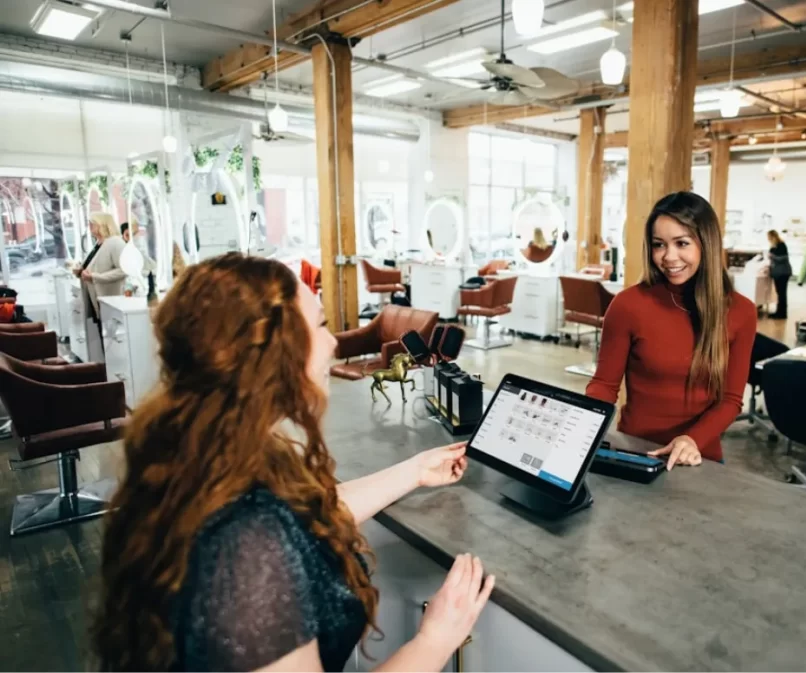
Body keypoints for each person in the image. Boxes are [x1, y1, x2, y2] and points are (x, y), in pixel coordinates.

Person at [93, 254, 495, 671]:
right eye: (320, 325)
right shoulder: (245, 548)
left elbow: (305, 515)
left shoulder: (199, 452)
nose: (333, 343)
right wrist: (436, 639)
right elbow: (268, 528)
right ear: (272, 353)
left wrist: (414, 471)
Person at [586, 192, 757, 468]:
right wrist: (582, 426)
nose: (668, 257)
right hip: (636, 452)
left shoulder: (741, 312)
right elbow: (604, 386)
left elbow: (731, 400)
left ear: (707, 243)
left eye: (682, 243)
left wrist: (691, 439)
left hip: (699, 458)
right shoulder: (628, 305)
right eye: (659, 245)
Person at [78, 212, 126, 323]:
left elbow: (123, 270)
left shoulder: (116, 243)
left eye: (92, 223)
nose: (89, 226)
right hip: (94, 295)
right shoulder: (99, 243)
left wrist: (95, 277)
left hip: (109, 297)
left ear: (103, 224)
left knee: (108, 333)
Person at [766, 229, 792, 319]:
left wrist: (772, 256)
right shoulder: (773, 247)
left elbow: (783, 258)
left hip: (783, 273)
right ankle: (779, 311)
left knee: (782, 293)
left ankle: (782, 313)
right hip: (778, 273)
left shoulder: (781, 245)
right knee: (779, 293)